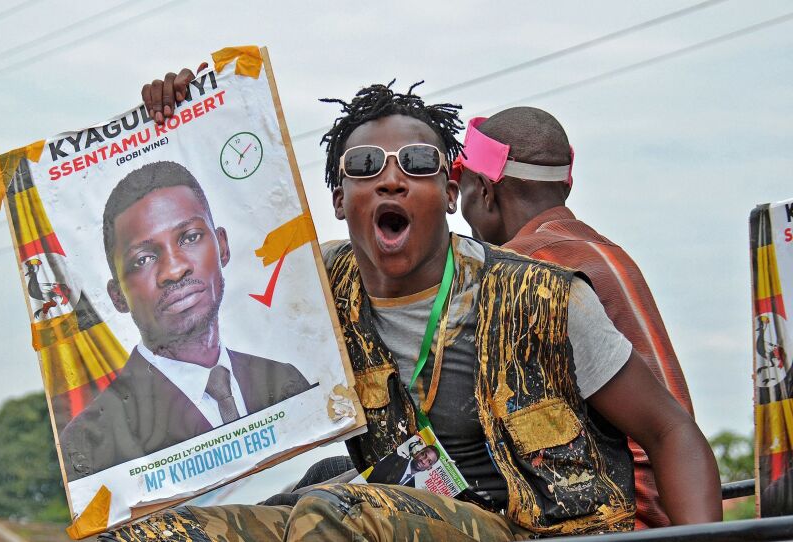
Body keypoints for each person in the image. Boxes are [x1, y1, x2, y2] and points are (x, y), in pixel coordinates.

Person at [99, 75, 720, 542]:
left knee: (330, 516)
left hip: (536, 531)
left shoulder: (543, 297)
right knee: (163, 534)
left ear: (452, 192)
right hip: (394, 510)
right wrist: (179, 120)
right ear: (340, 199)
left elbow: (671, 431)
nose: (392, 180)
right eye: (365, 166)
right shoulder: (313, 292)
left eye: (418, 164)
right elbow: (210, 240)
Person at [454, 108, 695, 529]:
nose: (461, 210)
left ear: (485, 189)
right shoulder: (605, 251)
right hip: (672, 508)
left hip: (612, 516)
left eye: (463, 192)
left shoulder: (526, 273)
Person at [60, 161, 311, 482]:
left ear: (222, 246)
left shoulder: (284, 381)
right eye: (144, 259)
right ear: (117, 296)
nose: (175, 270)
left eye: (190, 237)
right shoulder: (93, 438)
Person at [369, 439, 440, 487]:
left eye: (429, 462)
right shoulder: (394, 459)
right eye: (423, 454)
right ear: (417, 453)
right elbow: (371, 480)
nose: (423, 461)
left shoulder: (414, 487)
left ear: (429, 468)